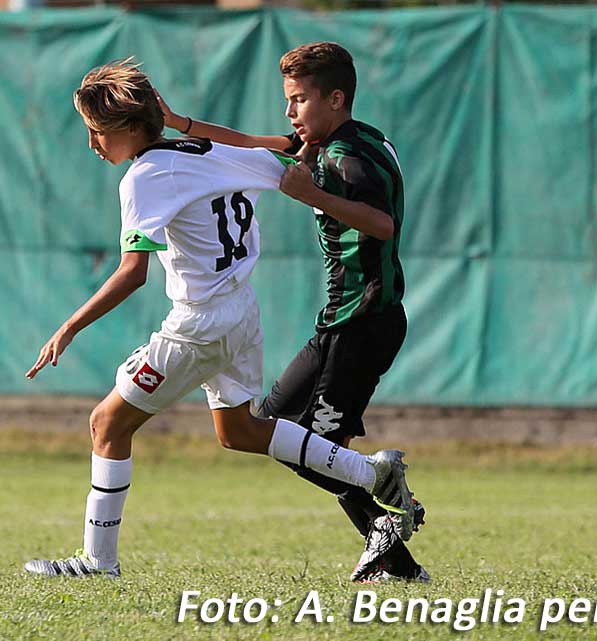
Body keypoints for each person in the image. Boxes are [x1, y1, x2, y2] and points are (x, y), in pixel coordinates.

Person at [22, 58, 418, 578]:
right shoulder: (214, 153)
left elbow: (132, 273)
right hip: (241, 314)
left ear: (126, 128)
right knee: (240, 432)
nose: (93, 145)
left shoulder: (142, 178)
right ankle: (372, 472)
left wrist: (68, 326)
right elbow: (276, 152)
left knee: (107, 422)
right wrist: (187, 125)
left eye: (97, 133)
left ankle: (98, 562)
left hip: (198, 326)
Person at [156, 42, 427, 583]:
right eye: (289, 100)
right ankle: (395, 558)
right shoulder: (344, 139)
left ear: (335, 98)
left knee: (315, 448)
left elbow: (382, 224)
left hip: (364, 324)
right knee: (276, 431)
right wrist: (178, 123)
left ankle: (384, 508)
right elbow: (250, 145)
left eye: (299, 100)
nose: (290, 112)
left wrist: (314, 196)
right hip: (339, 320)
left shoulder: (342, 158)